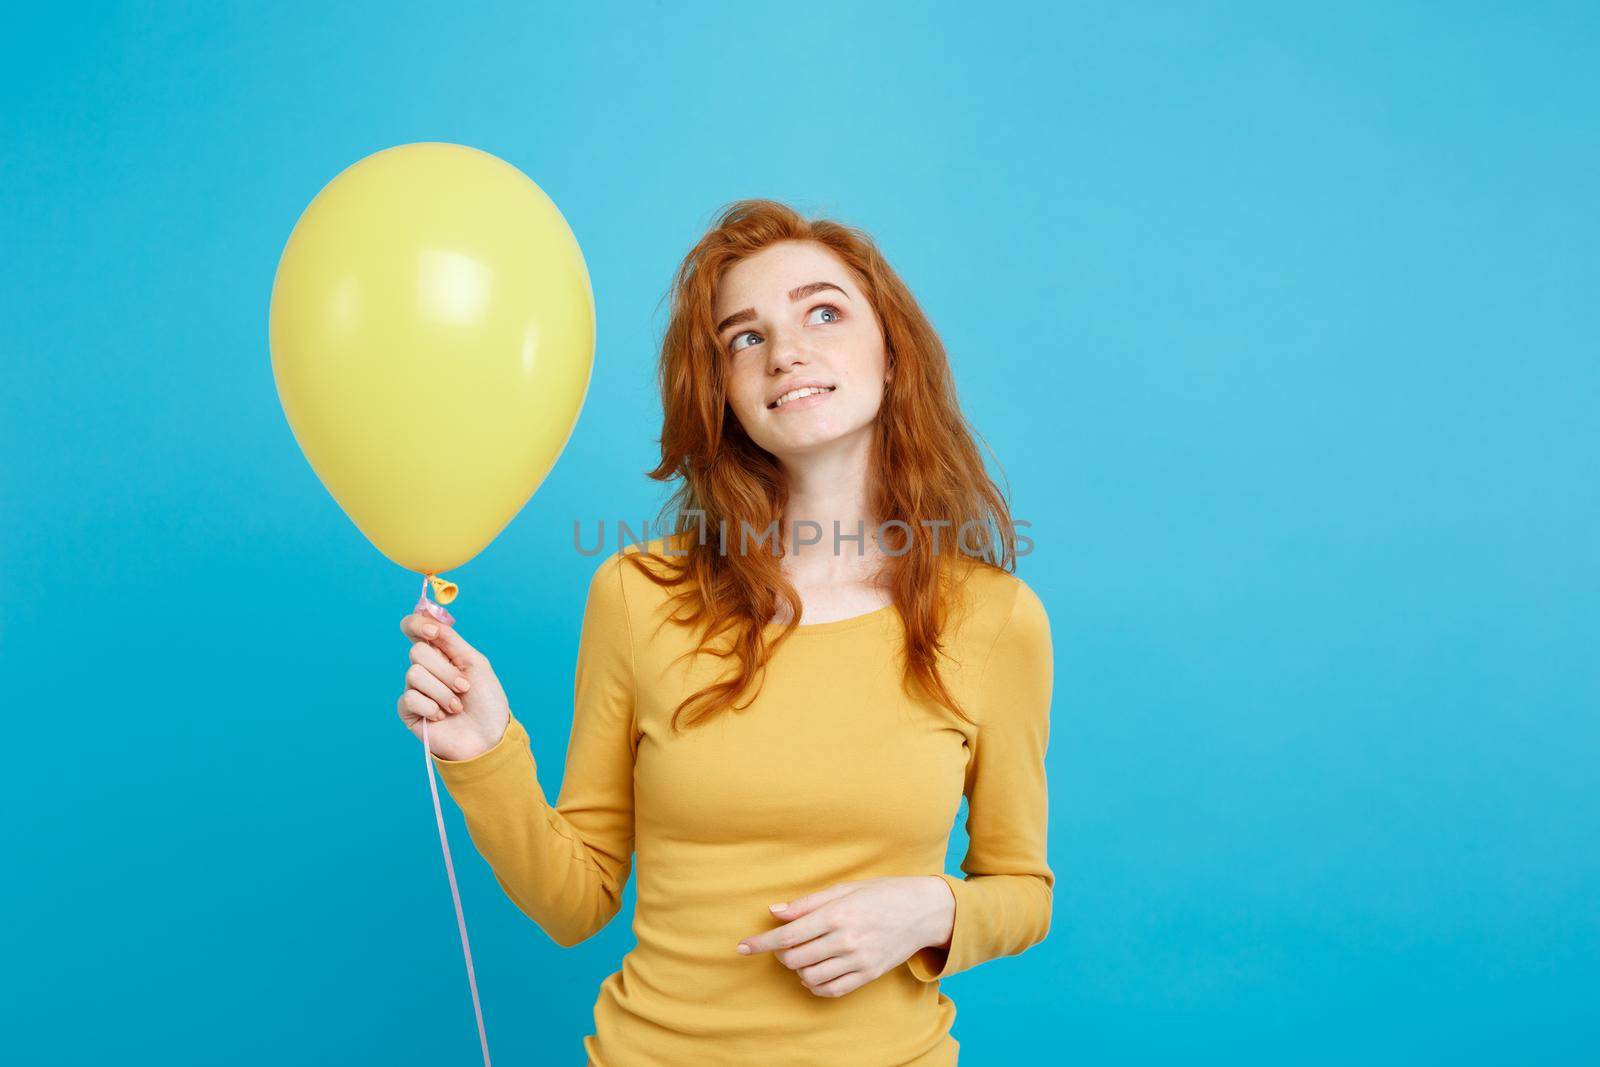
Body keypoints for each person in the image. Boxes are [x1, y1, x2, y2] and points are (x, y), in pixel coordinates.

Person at [396, 199, 1054, 1066]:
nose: (786, 351)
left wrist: (932, 910)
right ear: (725, 394)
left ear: (892, 357)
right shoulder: (638, 594)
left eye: (824, 311)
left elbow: (1022, 888)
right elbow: (576, 902)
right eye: (745, 337)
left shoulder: (996, 618)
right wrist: (484, 751)